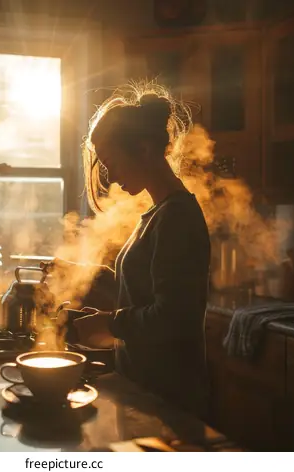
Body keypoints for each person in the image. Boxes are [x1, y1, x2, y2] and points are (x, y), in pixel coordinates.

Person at [72, 84, 211, 418]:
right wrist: (85, 277)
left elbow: (173, 316)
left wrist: (109, 324)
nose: (112, 176)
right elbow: (140, 292)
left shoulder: (177, 216)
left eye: (112, 162)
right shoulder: (156, 213)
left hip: (169, 393)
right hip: (144, 383)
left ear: (144, 149)